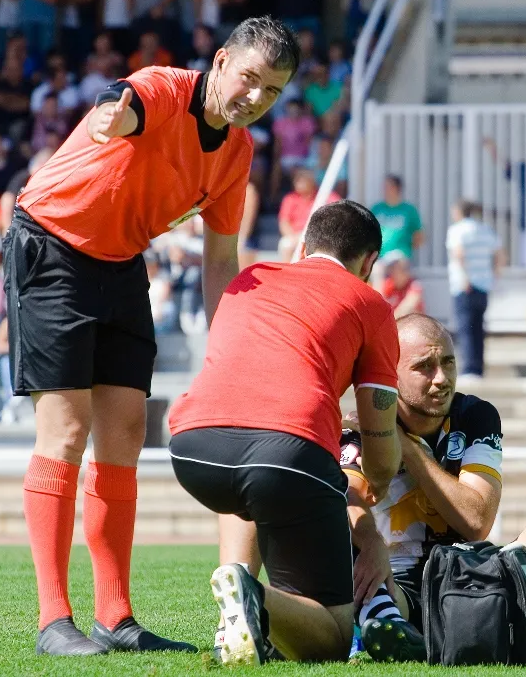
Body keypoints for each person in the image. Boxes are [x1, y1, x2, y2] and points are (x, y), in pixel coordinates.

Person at [4, 16, 300, 656]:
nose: (255, 97)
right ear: (220, 61)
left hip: (121, 262)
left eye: (272, 91)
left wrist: (230, 354)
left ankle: (116, 617)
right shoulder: (164, 88)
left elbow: (221, 261)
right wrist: (114, 113)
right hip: (51, 248)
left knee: (127, 432)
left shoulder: (237, 153)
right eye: (250, 78)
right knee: (66, 429)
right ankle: (54, 620)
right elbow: (125, 100)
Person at [244, 314, 526, 663]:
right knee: (350, 552)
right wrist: (370, 541)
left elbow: (477, 520)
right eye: (424, 367)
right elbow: (350, 503)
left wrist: (411, 451)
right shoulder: (358, 426)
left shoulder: (476, 416)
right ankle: (391, 633)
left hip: (474, 575)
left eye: (447, 362)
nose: (441, 377)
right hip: (398, 583)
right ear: (390, 372)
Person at [169, 201, 401, 665]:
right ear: (369, 262)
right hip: (285, 452)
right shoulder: (369, 303)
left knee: (250, 473)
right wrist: (375, 480)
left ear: (302, 246)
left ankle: (231, 609)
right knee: (333, 637)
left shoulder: (246, 280)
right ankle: (250, 593)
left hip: (194, 449)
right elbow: (377, 440)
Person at [446, 200, 502, 378]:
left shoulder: (457, 230)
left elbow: (459, 254)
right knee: (479, 327)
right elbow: (500, 255)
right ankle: (479, 368)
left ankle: (469, 369)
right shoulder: (485, 230)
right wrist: (493, 276)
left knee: (466, 327)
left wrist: (464, 278)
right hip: (484, 284)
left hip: (465, 286)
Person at [371, 174, 423, 260]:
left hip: (400, 255)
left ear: (397, 188)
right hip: (379, 256)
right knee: (376, 271)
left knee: (398, 268)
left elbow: (418, 235)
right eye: (385, 187)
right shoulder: (377, 209)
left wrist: (407, 248)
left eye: (389, 187)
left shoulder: (409, 210)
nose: (386, 190)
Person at [378, 251, 424, 318]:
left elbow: (406, 309)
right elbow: (378, 307)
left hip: (411, 325)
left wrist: (387, 321)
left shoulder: (414, 285)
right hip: (394, 324)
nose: (390, 271)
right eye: (390, 268)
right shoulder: (388, 284)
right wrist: (378, 277)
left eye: (394, 267)